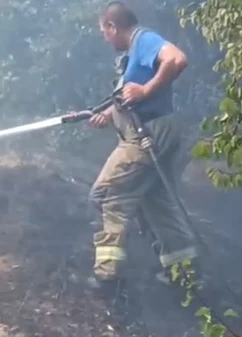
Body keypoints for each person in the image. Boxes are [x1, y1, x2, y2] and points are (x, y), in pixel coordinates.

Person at [85, 1, 199, 288]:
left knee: (106, 194)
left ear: (113, 26)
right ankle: (184, 274)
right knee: (155, 200)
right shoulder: (133, 54)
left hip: (148, 134)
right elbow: (132, 98)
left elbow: (177, 59)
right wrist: (109, 114)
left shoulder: (144, 39)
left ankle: (106, 275)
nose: (104, 38)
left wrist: (146, 89)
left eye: (104, 31)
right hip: (160, 129)